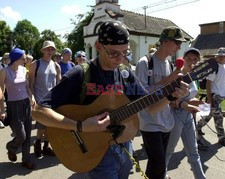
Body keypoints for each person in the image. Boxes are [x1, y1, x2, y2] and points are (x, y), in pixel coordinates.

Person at [32, 20, 188, 178]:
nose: (120, 58)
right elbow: (38, 111)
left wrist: (170, 96)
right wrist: (81, 126)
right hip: (98, 154)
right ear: (98, 46)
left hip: (125, 149)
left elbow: (151, 107)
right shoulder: (80, 74)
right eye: (114, 53)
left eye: (125, 53)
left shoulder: (126, 74)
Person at [135, 26, 187, 179]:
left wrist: (181, 94)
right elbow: (141, 94)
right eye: (177, 42)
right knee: (158, 162)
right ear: (165, 41)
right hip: (149, 122)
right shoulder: (145, 63)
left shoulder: (170, 64)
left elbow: (170, 97)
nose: (179, 46)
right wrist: (169, 79)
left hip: (167, 121)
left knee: (157, 164)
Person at [165, 48, 206, 179]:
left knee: (193, 152)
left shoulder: (193, 76)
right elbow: (171, 101)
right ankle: (161, 174)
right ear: (183, 59)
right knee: (169, 150)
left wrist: (199, 103)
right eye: (189, 59)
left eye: (195, 60)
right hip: (175, 116)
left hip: (188, 117)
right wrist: (185, 105)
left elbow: (189, 97)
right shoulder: (177, 75)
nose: (192, 62)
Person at [0, 48, 36, 169]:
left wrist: (32, 97)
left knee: (28, 132)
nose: (26, 59)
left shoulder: (23, 69)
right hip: (13, 105)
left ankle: (26, 159)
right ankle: (11, 147)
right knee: (21, 135)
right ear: (16, 58)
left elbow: (26, 87)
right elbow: (1, 92)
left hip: (26, 103)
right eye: (23, 58)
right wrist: (2, 110)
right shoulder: (4, 71)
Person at [29, 40, 61, 158]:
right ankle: (37, 144)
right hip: (40, 101)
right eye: (47, 48)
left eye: (52, 49)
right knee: (41, 126)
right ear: (43, 50)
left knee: (51, 126)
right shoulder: (35, 64)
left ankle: (46, 147)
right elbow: (31, 84)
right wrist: (32, 99)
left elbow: (59, 85)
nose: (50, 50)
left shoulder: (56, 66)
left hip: (52, 101)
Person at [196, 47, 225, 148]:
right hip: (214, 95)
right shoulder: (214, 67)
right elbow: (208, 83)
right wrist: (209, 99)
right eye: (219, 55)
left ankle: (197, 127)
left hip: (220, 96)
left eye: (223, 56)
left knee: (207, 114)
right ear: (216, 56)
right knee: (219, 117)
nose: (221, 57)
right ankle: (222, 139)